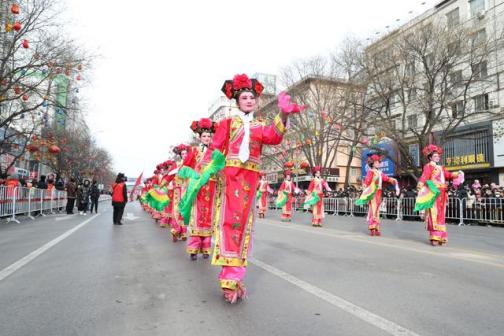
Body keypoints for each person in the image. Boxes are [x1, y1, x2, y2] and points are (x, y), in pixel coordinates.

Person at [208, 73, 301, 303]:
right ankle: (229, 279)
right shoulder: (226, 124)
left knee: (242, 228)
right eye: (245, 97)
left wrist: (283, 113)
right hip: (230, 179)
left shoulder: (259, 127)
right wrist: (216, 172)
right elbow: (215, 151)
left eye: (252, 97)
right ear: (237, 101)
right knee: (229, 224)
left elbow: (275, 136)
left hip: (249, 183)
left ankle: (235, 277)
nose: (249, 101)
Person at [179, 118, 217, 260]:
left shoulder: (215, 152)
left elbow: (220, 168)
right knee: (197, 216)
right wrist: (192, 178)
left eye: (209, 136)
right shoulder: (194, 151)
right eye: (204, 136)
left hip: (211, 187)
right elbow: (186, 168)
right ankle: (194, 248)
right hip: (198, 188)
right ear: (199, 137)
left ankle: (206, 247)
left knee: (209, 216)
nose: (207, 138)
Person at [415, 144, 463, 246]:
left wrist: (456, 174)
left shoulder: (441, 167)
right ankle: (434, 236)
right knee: (434, 214)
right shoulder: (429, 166)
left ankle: (441, 236)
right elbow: (424, 176)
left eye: (438, 155)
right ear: (430, 157)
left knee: (441, 214)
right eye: (435, 156)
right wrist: (420, 184)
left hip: (443, 192)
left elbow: (448, 175)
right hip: (434, 192)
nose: (437, 157)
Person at [356, 154, 399, 236]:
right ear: (373, 163)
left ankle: (377, 227)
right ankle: (372, 227)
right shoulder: (371, 171)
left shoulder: (380, 173)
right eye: (377, 162)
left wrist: (393, 180)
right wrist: (365, 188)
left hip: (379, 193)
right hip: (373, 192)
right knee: (373, 209)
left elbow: (386, 178)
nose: (379, 163)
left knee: (377, 210)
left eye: (379, 162)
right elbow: (367, 181)